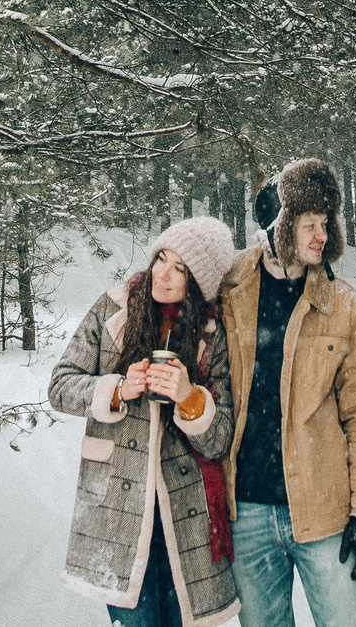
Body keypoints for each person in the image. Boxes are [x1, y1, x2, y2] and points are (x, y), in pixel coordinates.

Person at [52, 216, 242, 627]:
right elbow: (61, 386)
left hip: (185, 516)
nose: (163, 274)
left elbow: (221, 435)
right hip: (119, 508)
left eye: (180, 268)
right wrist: (117, 389)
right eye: (161, 258)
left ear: (198, 283)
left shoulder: (212, 332)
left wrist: (190, 398)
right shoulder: (113, 309)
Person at [219, 158, 356, 627]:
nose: (322, 235)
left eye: (327, 223)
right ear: (280, 228)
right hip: (247, 511)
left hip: (324, 512)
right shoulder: (231, 288)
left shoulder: (347, 309)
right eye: (310, 224)